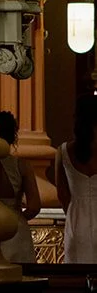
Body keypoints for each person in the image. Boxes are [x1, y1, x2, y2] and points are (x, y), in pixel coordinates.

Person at [0, 110, 40, 264]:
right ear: (12, 135)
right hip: (15, 231)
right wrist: (19, 217)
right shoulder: (21, 165)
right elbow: (34, 206)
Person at [56, 93, 97, 263]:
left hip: (76, 218)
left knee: (76, 274)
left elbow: (62, 193)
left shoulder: (64, 151)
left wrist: (73, 211)